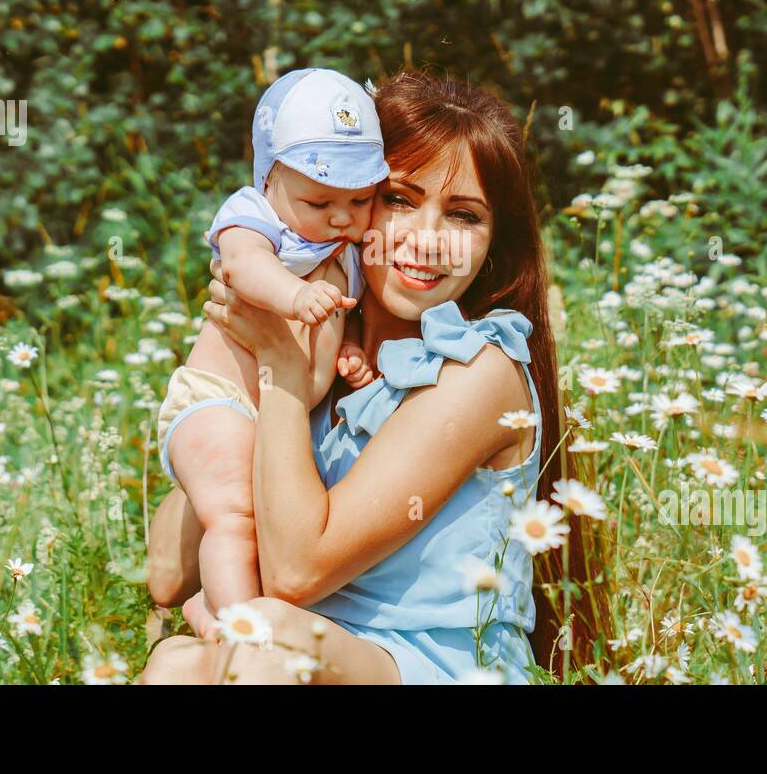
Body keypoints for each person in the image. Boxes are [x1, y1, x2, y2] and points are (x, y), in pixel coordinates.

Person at [141, 68, 562, 683]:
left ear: (494, 241)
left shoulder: (479, 372)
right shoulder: (323, 361)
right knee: (176, 662)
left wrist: (281, 374)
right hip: (301, 653)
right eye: (398, 199)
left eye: (463, 216)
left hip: (439, 666)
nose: (427, 241)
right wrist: (238, 384)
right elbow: (167, 574)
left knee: (265, 648)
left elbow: (294, 574)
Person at [154, 68, 387, 632]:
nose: (341, 216)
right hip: (217, 401)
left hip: (278, 411)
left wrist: (350, 349)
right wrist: (295, 293)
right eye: (320, 199)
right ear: (269, 179)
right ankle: (237, 631)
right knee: (235, 515)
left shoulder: (346, 247)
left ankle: (209, 604)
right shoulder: (255, 217)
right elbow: (243, 266)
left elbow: (344, 313)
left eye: (360, 199)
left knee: (266, 523)